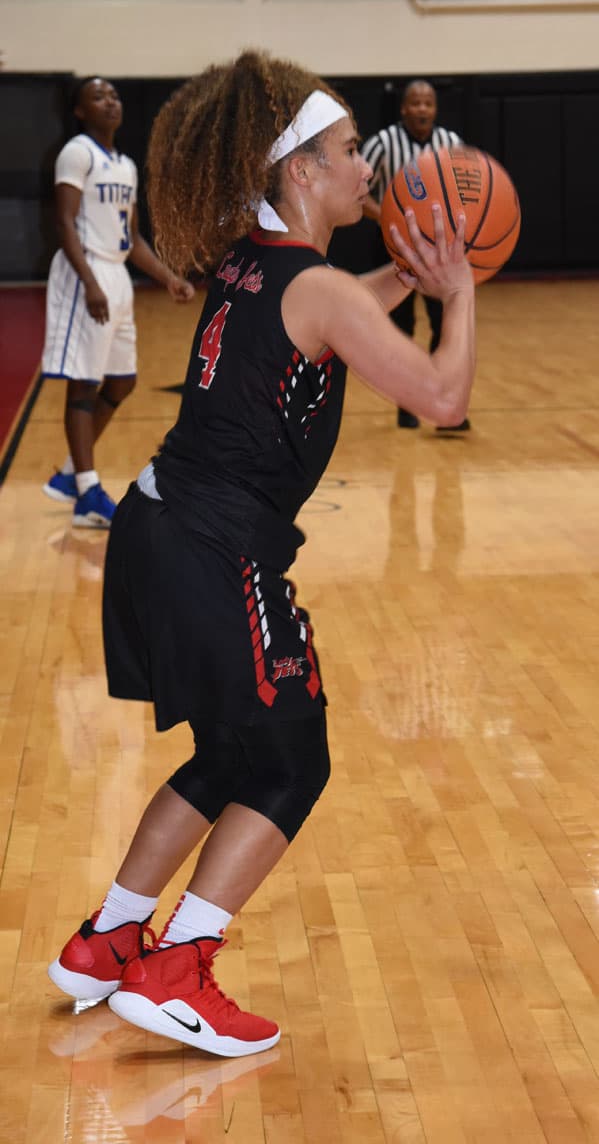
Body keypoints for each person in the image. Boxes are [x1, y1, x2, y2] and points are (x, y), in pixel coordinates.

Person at [47, 51, 475, 1058]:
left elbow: (313, 318)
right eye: (342, 154)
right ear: (298, 173)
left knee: (234, 751)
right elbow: (441, 398)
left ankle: (109, 938)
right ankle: (177, 968)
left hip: (159, 529)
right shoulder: (313, 284)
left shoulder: (255, 259)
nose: (362, 165)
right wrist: (455, 294)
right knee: (292, 760)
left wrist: (390, 274)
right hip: (213, 547)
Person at [41, 76, 194, 528]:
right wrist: (89, 282)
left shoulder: (125, 164)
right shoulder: (77, 153)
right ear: (80, 111)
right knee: (84, 385)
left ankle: (70, 474)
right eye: (98, 97)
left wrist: (168, 278)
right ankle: (88, 492)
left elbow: (133, 239)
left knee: (122, 380)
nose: (110, 102)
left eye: (114, 95)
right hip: (85, 270)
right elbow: (65, 223)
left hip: (118, 274)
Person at [361, 78, 470, 431]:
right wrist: (388, 217)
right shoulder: (382, 144)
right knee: (401, 328)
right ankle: (407, 402)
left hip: (439, 249)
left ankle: (445, 404)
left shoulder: (451, 143)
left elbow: (469, 192)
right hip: (396, 248)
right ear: (404, 108)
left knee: (445, 325)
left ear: (435, 109)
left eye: (428, 103)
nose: (423, 108)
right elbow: (358, 194)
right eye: (416, 103)